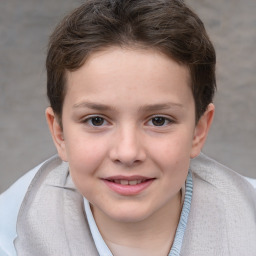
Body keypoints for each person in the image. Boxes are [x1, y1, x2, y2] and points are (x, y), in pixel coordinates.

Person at [1, 0, 256, 255]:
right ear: (60, 134)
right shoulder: (11, 233)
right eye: (96, 120)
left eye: (158, 120)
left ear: (198, 131)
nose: (127, 152)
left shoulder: (248, 217)